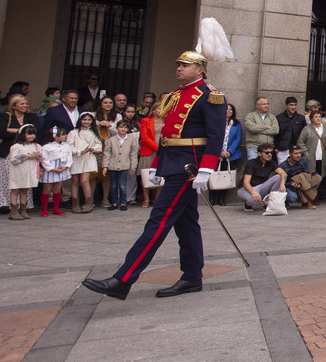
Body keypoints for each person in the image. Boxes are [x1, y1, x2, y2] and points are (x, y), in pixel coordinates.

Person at [81, 40, 228, 301]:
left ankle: (124, 279)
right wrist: (159, 164)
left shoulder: (210, 95)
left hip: (189, 166)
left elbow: (216, 136)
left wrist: (206, 169)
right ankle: (192, 276)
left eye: (185, 65)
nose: (179, 68)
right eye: (179, 65)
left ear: (200, 70)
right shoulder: (174, 95)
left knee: (158, 220)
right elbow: (167, 135)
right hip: (173, 162)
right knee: (186, 223)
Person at [0, 95, 39, 212]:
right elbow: (1, 132)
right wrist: (22, 132)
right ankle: (4, 204)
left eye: (26, 104)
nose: (25, 106)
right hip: (6, 152)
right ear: (14, 105)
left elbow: (35, 131)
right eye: (21, 104)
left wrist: (13, 130)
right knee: (6, 178)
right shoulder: (4, 116)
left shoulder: (31, 117)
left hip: (27, 152)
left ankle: (23, 205)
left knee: (24, 177)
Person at [67, 112, 101, 213]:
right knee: (75, 181)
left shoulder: (94, 132)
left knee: (84, 180)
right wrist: (79, 152)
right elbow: (69, 146)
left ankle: (88, 203)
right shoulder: (74, 132)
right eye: (84, 119)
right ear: (80, 120)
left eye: (89, 120)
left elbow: (99, 145)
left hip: (88, 157)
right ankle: (75, 204)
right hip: (76, 158)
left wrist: (92, 149)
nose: (86, 122)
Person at [7, 124, 42, 220]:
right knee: (15, 190)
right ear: (22, 134)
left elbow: (42, 159)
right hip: (18, 171)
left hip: (29, 172)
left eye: (33, 134)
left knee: (25, 190)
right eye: (29, 134)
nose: (31, 136)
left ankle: (23, 210)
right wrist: (27, 155)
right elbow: (13, 160)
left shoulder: (36, 146)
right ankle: (13, 211)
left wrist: (39, 155)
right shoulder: (16, 146)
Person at [103, 118, 139, 210]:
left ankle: (123, 202)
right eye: (121, 127)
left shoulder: (131, 139)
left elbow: (133, 154)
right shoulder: (111, 140)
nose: (123, 129)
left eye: (125, 127)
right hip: (112, 165)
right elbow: (107, 153)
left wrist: (133, 165)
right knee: (114, 185)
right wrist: (105, 166)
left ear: (128, 129)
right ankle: (114, 202)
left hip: (125, 165)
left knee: (122, 184)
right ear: (117, 128)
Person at [210, 103, 241, 206]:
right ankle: (212, 198)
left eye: (231, 110)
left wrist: (229, 151)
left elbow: (238, 138)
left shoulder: (236, 124)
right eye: (226, 109)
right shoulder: (215, 122)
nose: (229, 111)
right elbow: (213, 137)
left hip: (230, 155)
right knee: (214, 175)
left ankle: (222, 198)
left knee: (225, 176)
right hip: (216, 153)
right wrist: (221, 150)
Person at [39, 126, 72, 217]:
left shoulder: (66, 145)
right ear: (55, 137)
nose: (65, 136)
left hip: (62, 168)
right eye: (63, 134)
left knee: (57, 189)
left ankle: (56, 209)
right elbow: (43, 159)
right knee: (47, 189)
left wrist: (66, 167)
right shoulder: (46, 147)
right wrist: (52, 169)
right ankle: (44, 209)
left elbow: (69, 157)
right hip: (50, 169)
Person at [240, 145, 283, 210]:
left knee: (278, 177)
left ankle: (269, 203)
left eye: (271, 153)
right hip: (246, 188)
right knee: (253, 201)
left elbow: (283, 173)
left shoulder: (271, 162)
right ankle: (247, 203)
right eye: (266, 153)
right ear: (259, 153)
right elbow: (246, 183)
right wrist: (253, 193)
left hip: (261, 187)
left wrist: (282, 184)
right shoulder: (251, 163)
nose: (269, 155)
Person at [297, 109, 326, 182]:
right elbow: (300, 142)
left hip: (322, 156)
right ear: (312, 119)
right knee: (311, 175)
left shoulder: (325, 128)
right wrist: (306, 152)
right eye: (316, 117)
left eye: (319, 116)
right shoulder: (307, 128)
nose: (318, 118)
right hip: (311, 156)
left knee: (322, 175)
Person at [243, 97, 279, 161]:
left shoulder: (272, 117)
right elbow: (252, 128)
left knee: (266, 169)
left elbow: (276, 130)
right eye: (264, 104)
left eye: (267, 104)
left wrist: (260, 131)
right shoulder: (250, 116)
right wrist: (266, 127)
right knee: (253, 167)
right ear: (257, 106)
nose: (266, 106)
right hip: (254, 147)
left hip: (268, 148)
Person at [274, 97, 307, 164]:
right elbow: (275, 134)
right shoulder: (279, 118)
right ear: (286, 105)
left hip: (296, 148)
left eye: (295, 105)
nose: (293, 107)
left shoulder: (301, 118)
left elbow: (304, 134)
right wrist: (276, 147)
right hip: (282, 149)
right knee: (282, 170)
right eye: (291, 105)